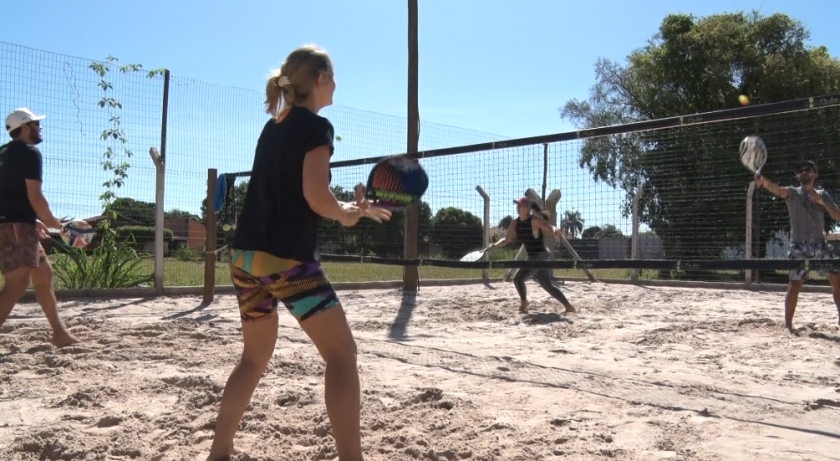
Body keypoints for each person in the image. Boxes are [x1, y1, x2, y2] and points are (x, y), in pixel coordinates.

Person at [206, 45, 391, 461]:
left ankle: (219, 452)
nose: (338, 84)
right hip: (287, 261)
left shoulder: (274, 125)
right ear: (321, 80)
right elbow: (314, 194)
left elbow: (299, 190)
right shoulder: (317, 127)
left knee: (253, 358)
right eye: (334, 75)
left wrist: (343, 206)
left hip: (245, 258)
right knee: (342, 354)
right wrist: (346, 214)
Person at [0, 108, 78, 347]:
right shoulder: (30, 153)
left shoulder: (2, 153)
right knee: (16, 286)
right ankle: (59, 333)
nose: (40, 127)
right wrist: (55, 222)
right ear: (25, 128)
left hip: (12, 225)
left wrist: (31, 220)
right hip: (17, 228)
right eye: (36, 124)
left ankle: (59, 332)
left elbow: (9, 194)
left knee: (42, 276)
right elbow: (36, 197)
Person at [755, 160, 840, 332]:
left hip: (820, 245)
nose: (803, 172)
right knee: (795, 284)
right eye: (800, 170)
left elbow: (837, 216)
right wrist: (764, 182)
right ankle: (788, 326)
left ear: (815, 173)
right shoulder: (792, 193)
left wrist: (822, 203)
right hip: (798, 246)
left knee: (837, 281)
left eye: (808, 169)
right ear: (797, 175)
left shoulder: (823, 194)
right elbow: (778, 190)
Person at [485, 197, 576, 314]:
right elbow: (507, 239)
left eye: (519, 205)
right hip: (533, 257)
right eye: (517, 205)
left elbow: (549, 228)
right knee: (546, 284)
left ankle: (524, 302)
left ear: (526, 207)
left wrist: (556, 230)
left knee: (519, 279)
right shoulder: (515, 223)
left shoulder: (534, 220)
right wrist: (494, 246)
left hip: (542, 256)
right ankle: (568, 306)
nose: (517, 208)